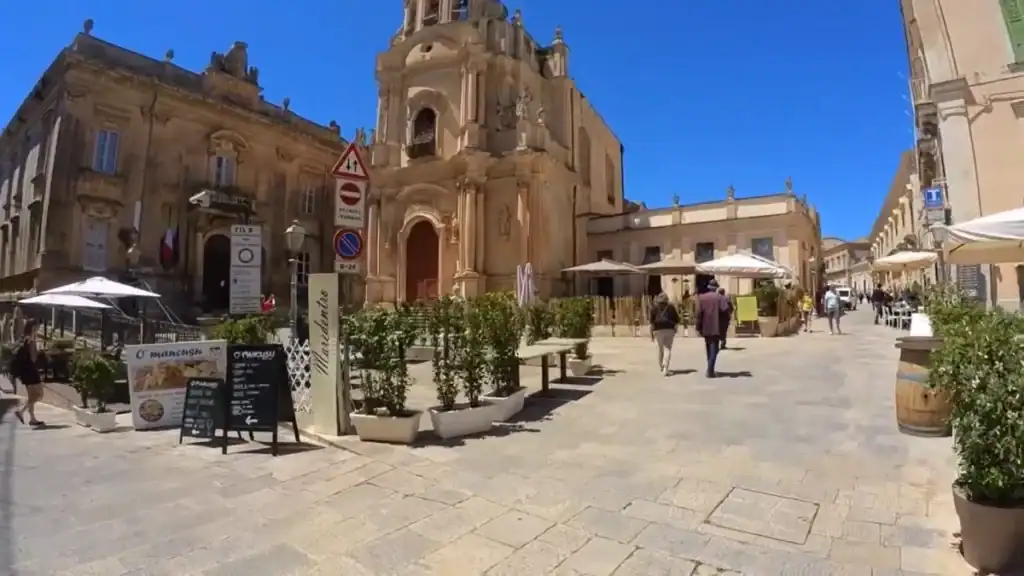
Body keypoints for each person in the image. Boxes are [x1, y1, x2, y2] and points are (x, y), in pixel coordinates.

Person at [12, 320, 44, 427]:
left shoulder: (23, 338)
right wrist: (37, 348)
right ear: (33, 327)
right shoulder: (31, 340)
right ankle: (21, 411)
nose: (39, 328)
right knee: (39, 394)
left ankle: (32, 418)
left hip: (24, 371)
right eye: (37, 326)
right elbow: (34, 358)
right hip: (31, 370)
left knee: (31, 395)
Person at [696, 279, 730, 378]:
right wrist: (724, 328)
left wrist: (698, 327)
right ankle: (710, 370)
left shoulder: (701, 298)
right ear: (716, 288)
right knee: (714, 349)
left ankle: (710, 367)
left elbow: (698, 313)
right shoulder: (721, 298)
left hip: (705, 327)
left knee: (708, 347)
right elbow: (726, 313)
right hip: (716, 327)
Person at [648, 293, 680, 376]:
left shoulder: (654, 308)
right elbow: (677, 319)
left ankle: (661, 367)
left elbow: (651, 322)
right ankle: (666, 368)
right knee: (667, 349)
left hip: (657, 330)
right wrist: (675, 329)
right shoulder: (671, 307)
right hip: (669, 329)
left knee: (659, 349)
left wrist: (651, 334)